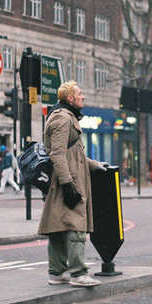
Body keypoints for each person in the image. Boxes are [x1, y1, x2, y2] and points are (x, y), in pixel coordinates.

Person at [38, 81, 106, 288]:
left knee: (59, 227)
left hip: (68, 179)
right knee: (76, 226)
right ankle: (78, 273)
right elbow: (57, 154)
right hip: (67, 181)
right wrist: (68, 185)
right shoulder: (63, 119)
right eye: (79, 93)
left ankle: (57, 272)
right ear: (70, 98)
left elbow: (74, 154)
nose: (83, 97)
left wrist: (95, 165)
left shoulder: (66, 117)